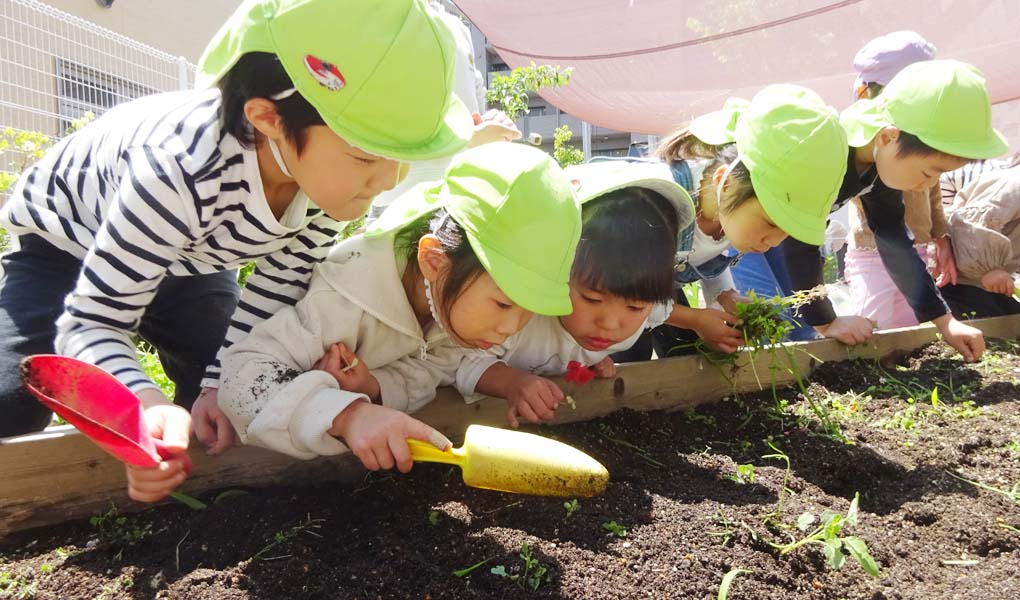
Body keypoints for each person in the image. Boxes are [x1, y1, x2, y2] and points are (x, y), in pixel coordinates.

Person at [0, 0, 473, 502]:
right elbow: (93, 323)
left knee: (228, 395)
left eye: (401, 161)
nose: (385, 183)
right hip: (69, 243)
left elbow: (277, 283)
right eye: (364, 157)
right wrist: (141, 404)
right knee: (11, 405)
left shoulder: (332, 187)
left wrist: (213, 388)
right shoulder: (177, 173)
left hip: (196, 258)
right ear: (268, 119)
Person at [217, 143, 581, 469]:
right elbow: (240, 380)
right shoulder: (344, 299)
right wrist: (349, 416)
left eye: (530, 310)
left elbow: (434, 371)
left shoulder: (454, 314)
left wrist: (375, 387)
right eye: (503, 304)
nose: (511, 328)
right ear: (434, 261)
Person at [783, 59, 1008, 361]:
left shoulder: (878, 163)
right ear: (889, 137)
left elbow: (892, 237)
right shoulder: (828, 156)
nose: (923, 187)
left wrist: (945, 321)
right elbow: (801, 240)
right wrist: (826, 321)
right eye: (929, 173)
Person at [612, 84, 849, 362]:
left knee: (685, 358)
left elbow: (709, 254)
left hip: (649, 290)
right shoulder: (661, 205)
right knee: (628, 352)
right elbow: (619, 294)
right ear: (726, 183)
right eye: (771, 223)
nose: (773, 241)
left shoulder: (725, 209)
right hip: (595, 299)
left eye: (787, 232)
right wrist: (695, 320)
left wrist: (725, 295)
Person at [455, 160, 694, 426]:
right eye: (592, 299)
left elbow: (665, 312)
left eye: (636, 307)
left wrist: (593, 358)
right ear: (556, 272)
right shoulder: (517, 317)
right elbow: (462, 363)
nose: (610, 325)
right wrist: (512, 383)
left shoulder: (651, 311)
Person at [841, 31, 956, 330]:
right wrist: (824, 320)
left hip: (913, 247)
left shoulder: (918, 149)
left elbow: (929, 195)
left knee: (909, 333)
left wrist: (939, 235)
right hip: (871, 252)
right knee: (875, 331)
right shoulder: (857, 151)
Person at [941, 165, 1020, 318]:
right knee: (992, 326)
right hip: (960, 277)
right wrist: (988, 269)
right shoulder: (1013, 185)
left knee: (1010, 321)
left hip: (988, 282)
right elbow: (972, 224)